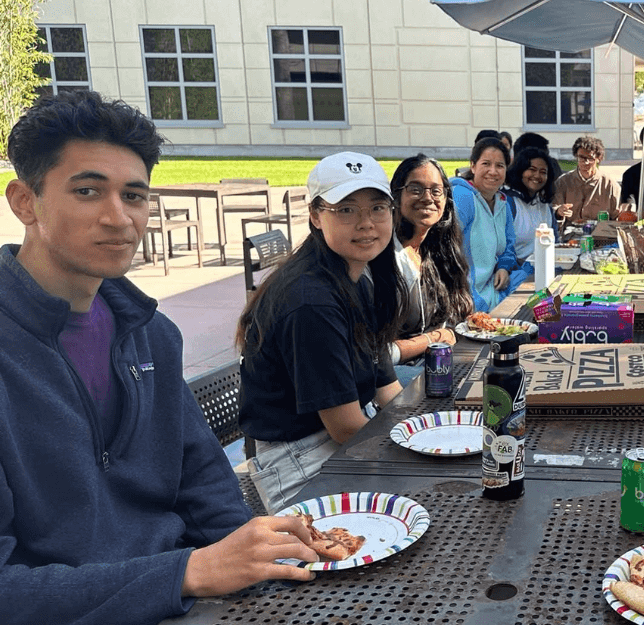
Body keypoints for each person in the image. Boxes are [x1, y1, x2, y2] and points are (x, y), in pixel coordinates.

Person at [1, 90, 318, 624]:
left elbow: (204, 480)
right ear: (25, 201)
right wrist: (188, 573)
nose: (118, 218)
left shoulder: (151, 334)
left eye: (134, 195)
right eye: (87, 191)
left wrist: (255, 575)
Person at [238, 152, 409, 512]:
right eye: (346, 210)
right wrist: (412, 456)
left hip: (341, 438)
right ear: (316, 216)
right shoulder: (310, 302)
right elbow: (345, 428)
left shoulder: (357, 278)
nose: (366, 223)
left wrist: (423, 435)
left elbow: (386, 388)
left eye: (378, 208)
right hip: (298, 460)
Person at [387, 154, 474, 386]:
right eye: (415, 189)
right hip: (394, 379)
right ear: (396, 195)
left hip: (437, 360)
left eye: (436, 191)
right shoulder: (386, 257)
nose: (428, 198)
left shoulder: (437, 250)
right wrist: (433, 339)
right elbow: (377, 357)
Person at [449, 137, 519, 312]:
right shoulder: (463, 197)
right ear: (473, 166)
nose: (493, 172)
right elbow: (443, 250)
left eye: (500, 166)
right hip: (466, 294)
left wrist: (503, 267)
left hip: (494, 287)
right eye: (486, 164)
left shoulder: (503, 203)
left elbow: (509, 246)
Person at [502, 147, 562, 279]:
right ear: (520, 171)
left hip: (547, 271)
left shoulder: (544, 204)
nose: (537, 176)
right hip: (516, 274)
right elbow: (503, 249)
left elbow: (555, 241)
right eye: (532, 170)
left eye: (543, 172)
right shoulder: (508, 202)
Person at [553, 135, 619, 224]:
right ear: (576, 157)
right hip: (569, 234)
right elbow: (552, 211)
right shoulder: (563, 182)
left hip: (598, 234)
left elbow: (618, 217)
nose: (585, 162)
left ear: (598, 159)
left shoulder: (610, 185)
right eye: (581, 158)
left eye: (590, 158)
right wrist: (559, 211)